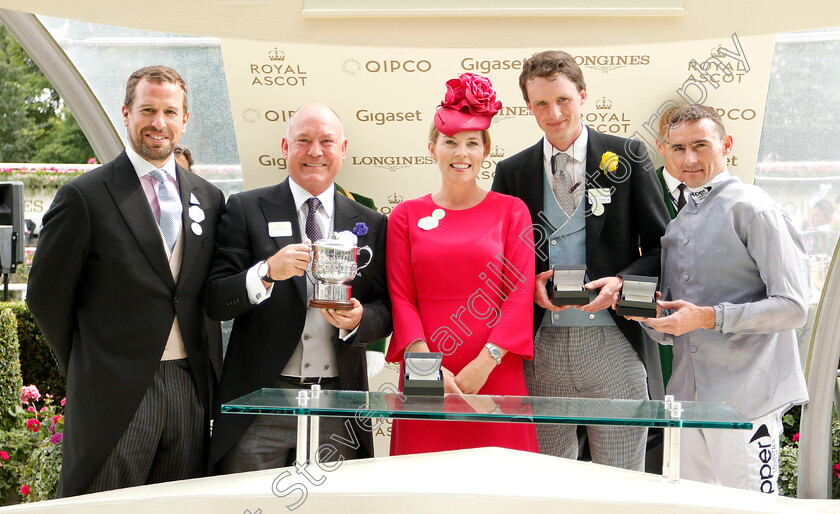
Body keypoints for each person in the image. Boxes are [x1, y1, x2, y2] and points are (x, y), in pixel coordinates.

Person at [26, 65, 224, 497]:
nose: (159, 122)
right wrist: (90, 362)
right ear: (126, 113)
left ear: (184, 120)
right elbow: (45, 296)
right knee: (104, 504)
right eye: (147, 109)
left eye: (170, 112)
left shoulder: (208, 197)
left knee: (179, 506)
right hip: (114, 391)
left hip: (189, 389)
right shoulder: (85, 196)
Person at [491, 50, 669, 471]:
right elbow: (501, 262)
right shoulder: (511, 172)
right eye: (541, 104)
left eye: (563, 100)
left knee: (622, 482)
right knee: (548, 482)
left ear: (583, 95)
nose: (554, 113)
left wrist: (622, 284)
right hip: (539, 350)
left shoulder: (627, 156)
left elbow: (664, 248)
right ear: (528, 107)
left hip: (615, 346)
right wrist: (528, 282)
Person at [628, 104, 809, 493]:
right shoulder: (678, 224)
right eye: (678, 149)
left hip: (747, 401)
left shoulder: (753, 208)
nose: (689, 159)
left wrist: (708, 317)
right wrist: (646, 315)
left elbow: (794, 307)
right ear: (665, 152)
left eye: (700, 145)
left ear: (725, 144)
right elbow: (679, 326)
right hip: (688, 404)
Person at [205, 103, 392, 472]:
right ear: (285, 147)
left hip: (338, 403)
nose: (315, 151)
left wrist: (359, 319)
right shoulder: (245, 208)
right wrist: (265, 273)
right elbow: (215, 300)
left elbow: (386, 308)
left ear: (343, 148)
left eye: (327, 141)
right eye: (303, 140)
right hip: (260, 404)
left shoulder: (371, 221)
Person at [386, 72, 537, 455]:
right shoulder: (404, 215)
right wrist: (426, 365)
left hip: (495, 365)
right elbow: (401, 298)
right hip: (425, 366)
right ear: (432, 147)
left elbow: (519, 295)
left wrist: (486, 363)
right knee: (423, 479)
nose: (461, 153)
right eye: (450, 142)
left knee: (502, 483)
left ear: (485, 150)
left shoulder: (511, 211)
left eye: (472, 143)